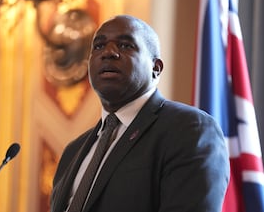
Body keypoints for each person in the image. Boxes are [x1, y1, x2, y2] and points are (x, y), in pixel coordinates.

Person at [50, 14, 230, 212]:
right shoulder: (73, 151)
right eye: (99, 46)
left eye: (126, 45)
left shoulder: (189, 129)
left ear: (156, 68)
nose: (108, 52)